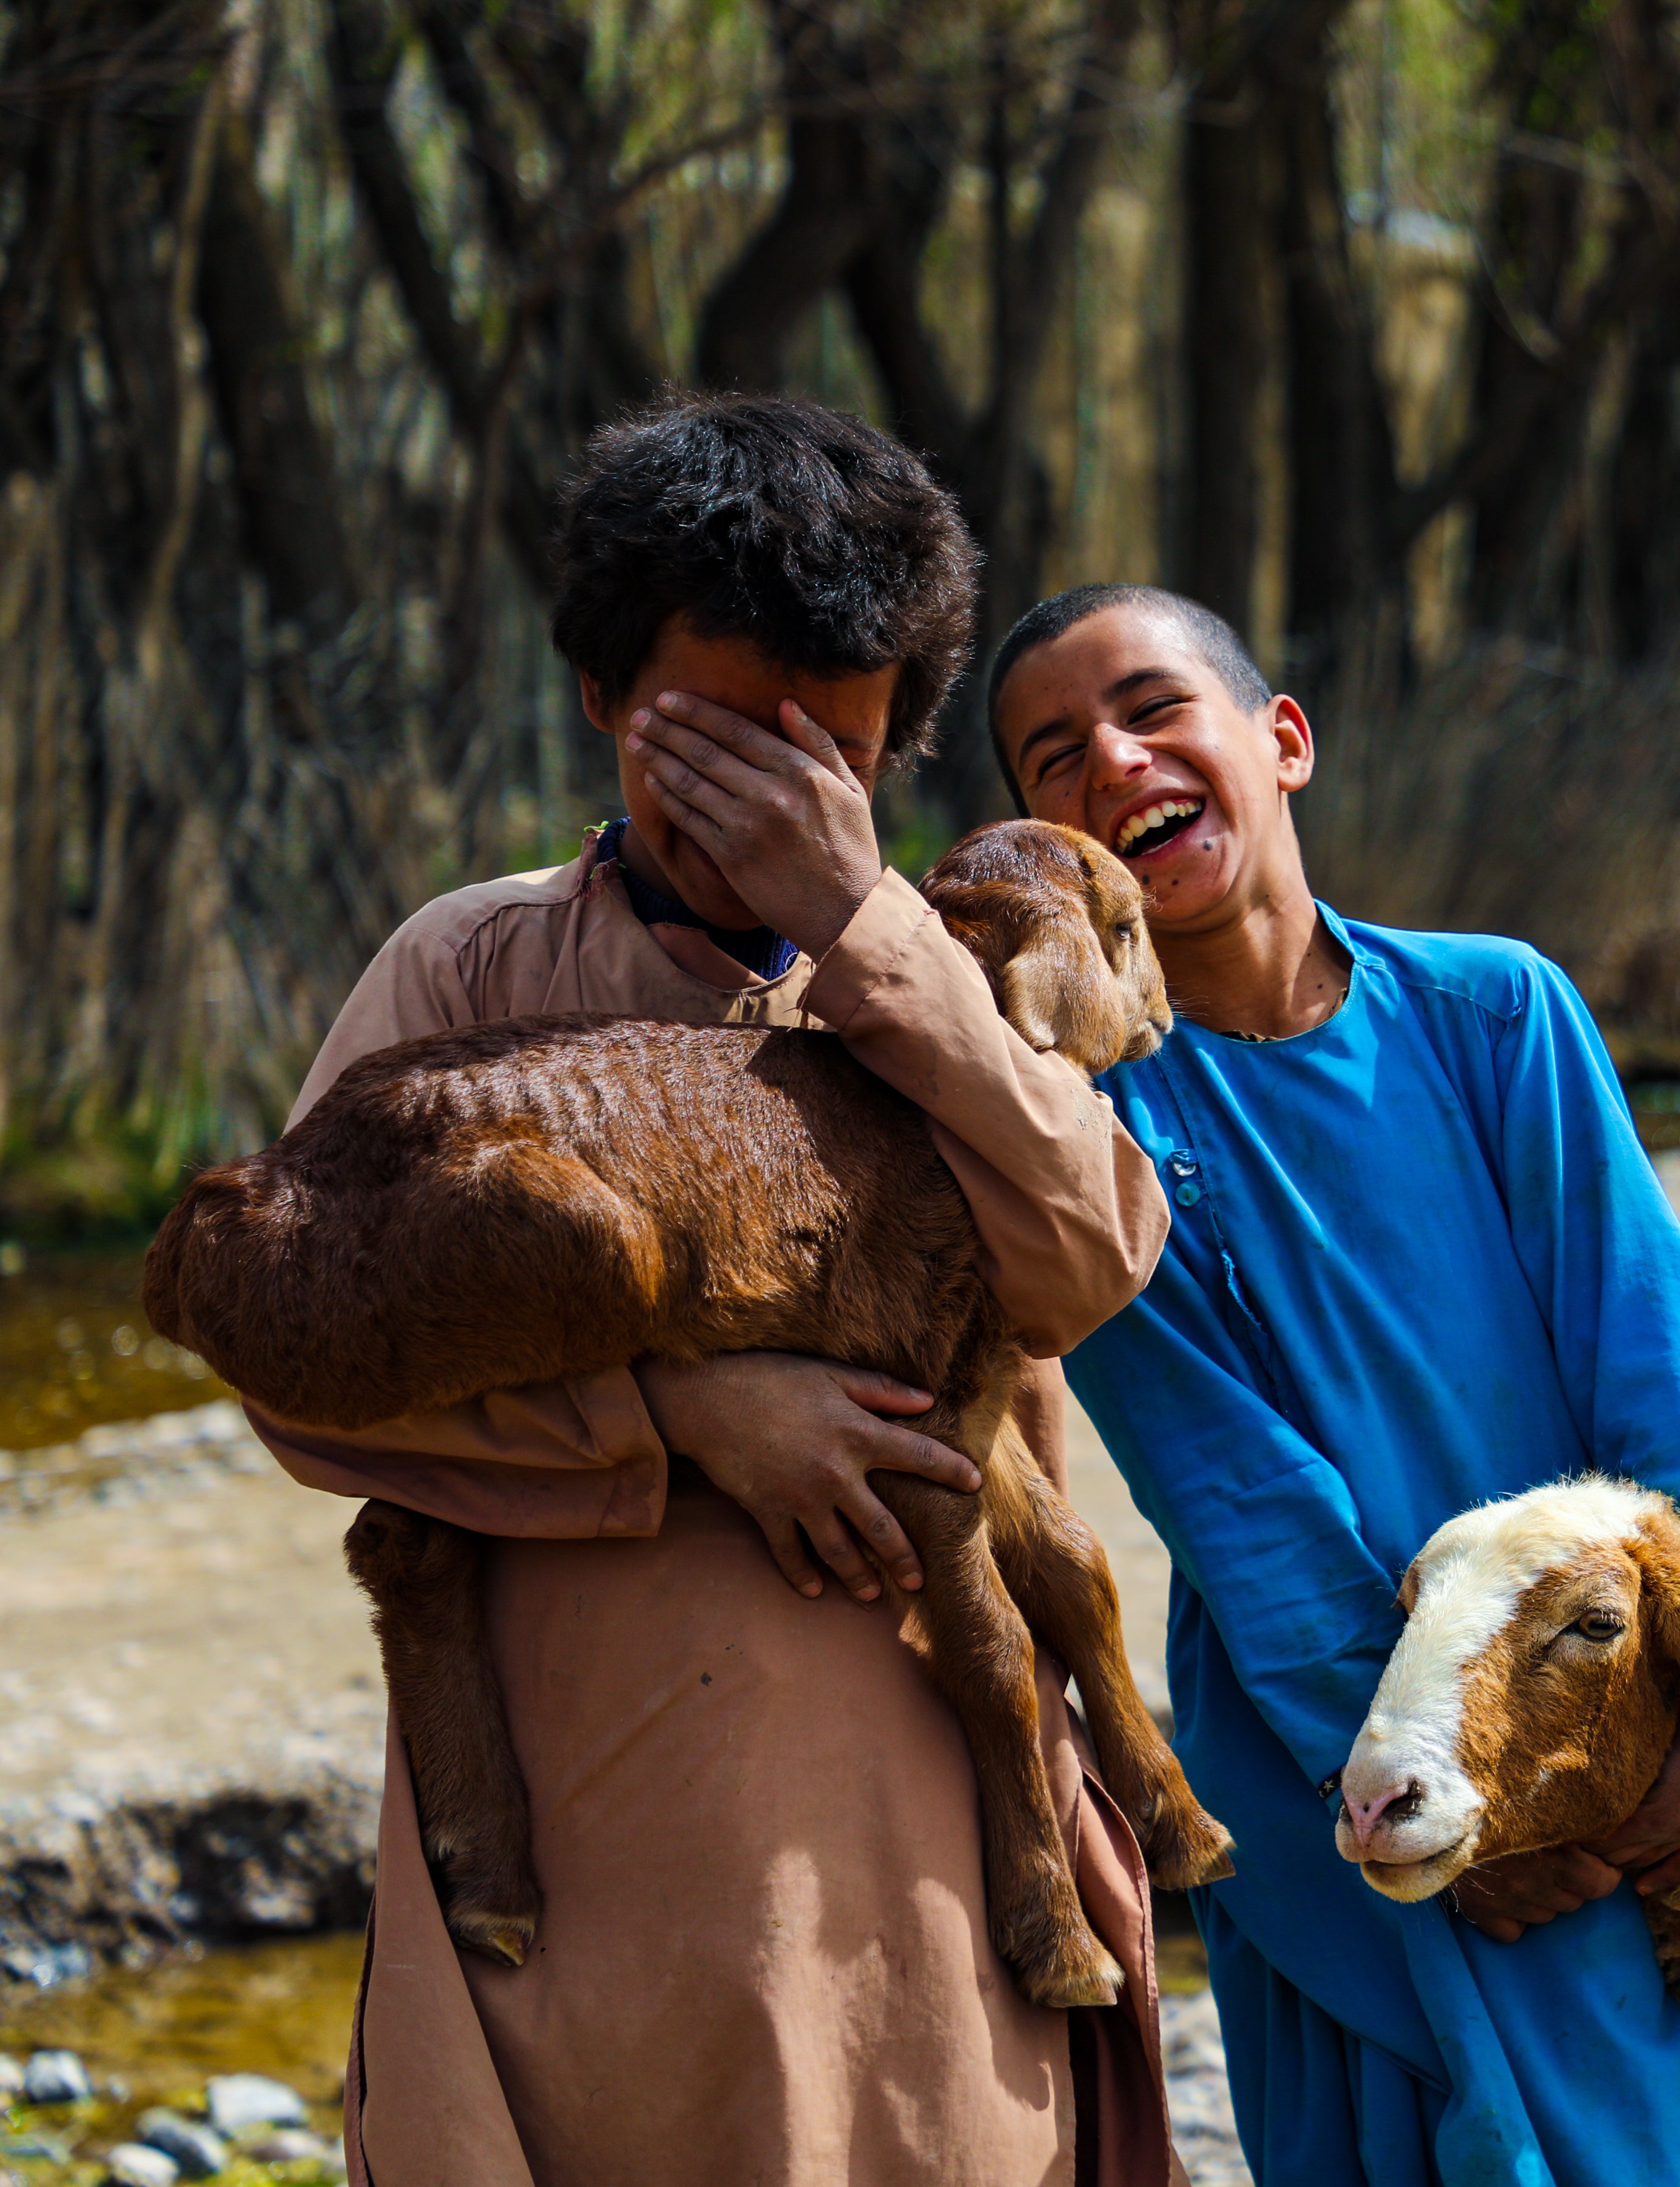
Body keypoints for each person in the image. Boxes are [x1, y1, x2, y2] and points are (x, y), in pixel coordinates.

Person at [247, 396, 1177, 2187]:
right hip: (597, 1845)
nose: (765, 796)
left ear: (898, 742)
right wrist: (675, 1417)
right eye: (709, 738)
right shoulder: (466, 971)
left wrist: (872, 937)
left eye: (827, 750)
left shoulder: (963, 965)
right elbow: (300, 1363)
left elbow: (1083, 1263)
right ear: (604, 696)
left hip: (925, 1821)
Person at [990, 584, 1680, 2186]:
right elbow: (1234, 1498)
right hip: (1333, 1768)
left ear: (1282, 740)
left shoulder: (1494, 1012)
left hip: (1596, 1716)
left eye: (1154, 709)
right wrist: (1414, 1785)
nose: (1113, 761)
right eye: (1054, 759)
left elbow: (1661, 1371)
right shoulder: (1079, 1131)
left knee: (1641, 2129)